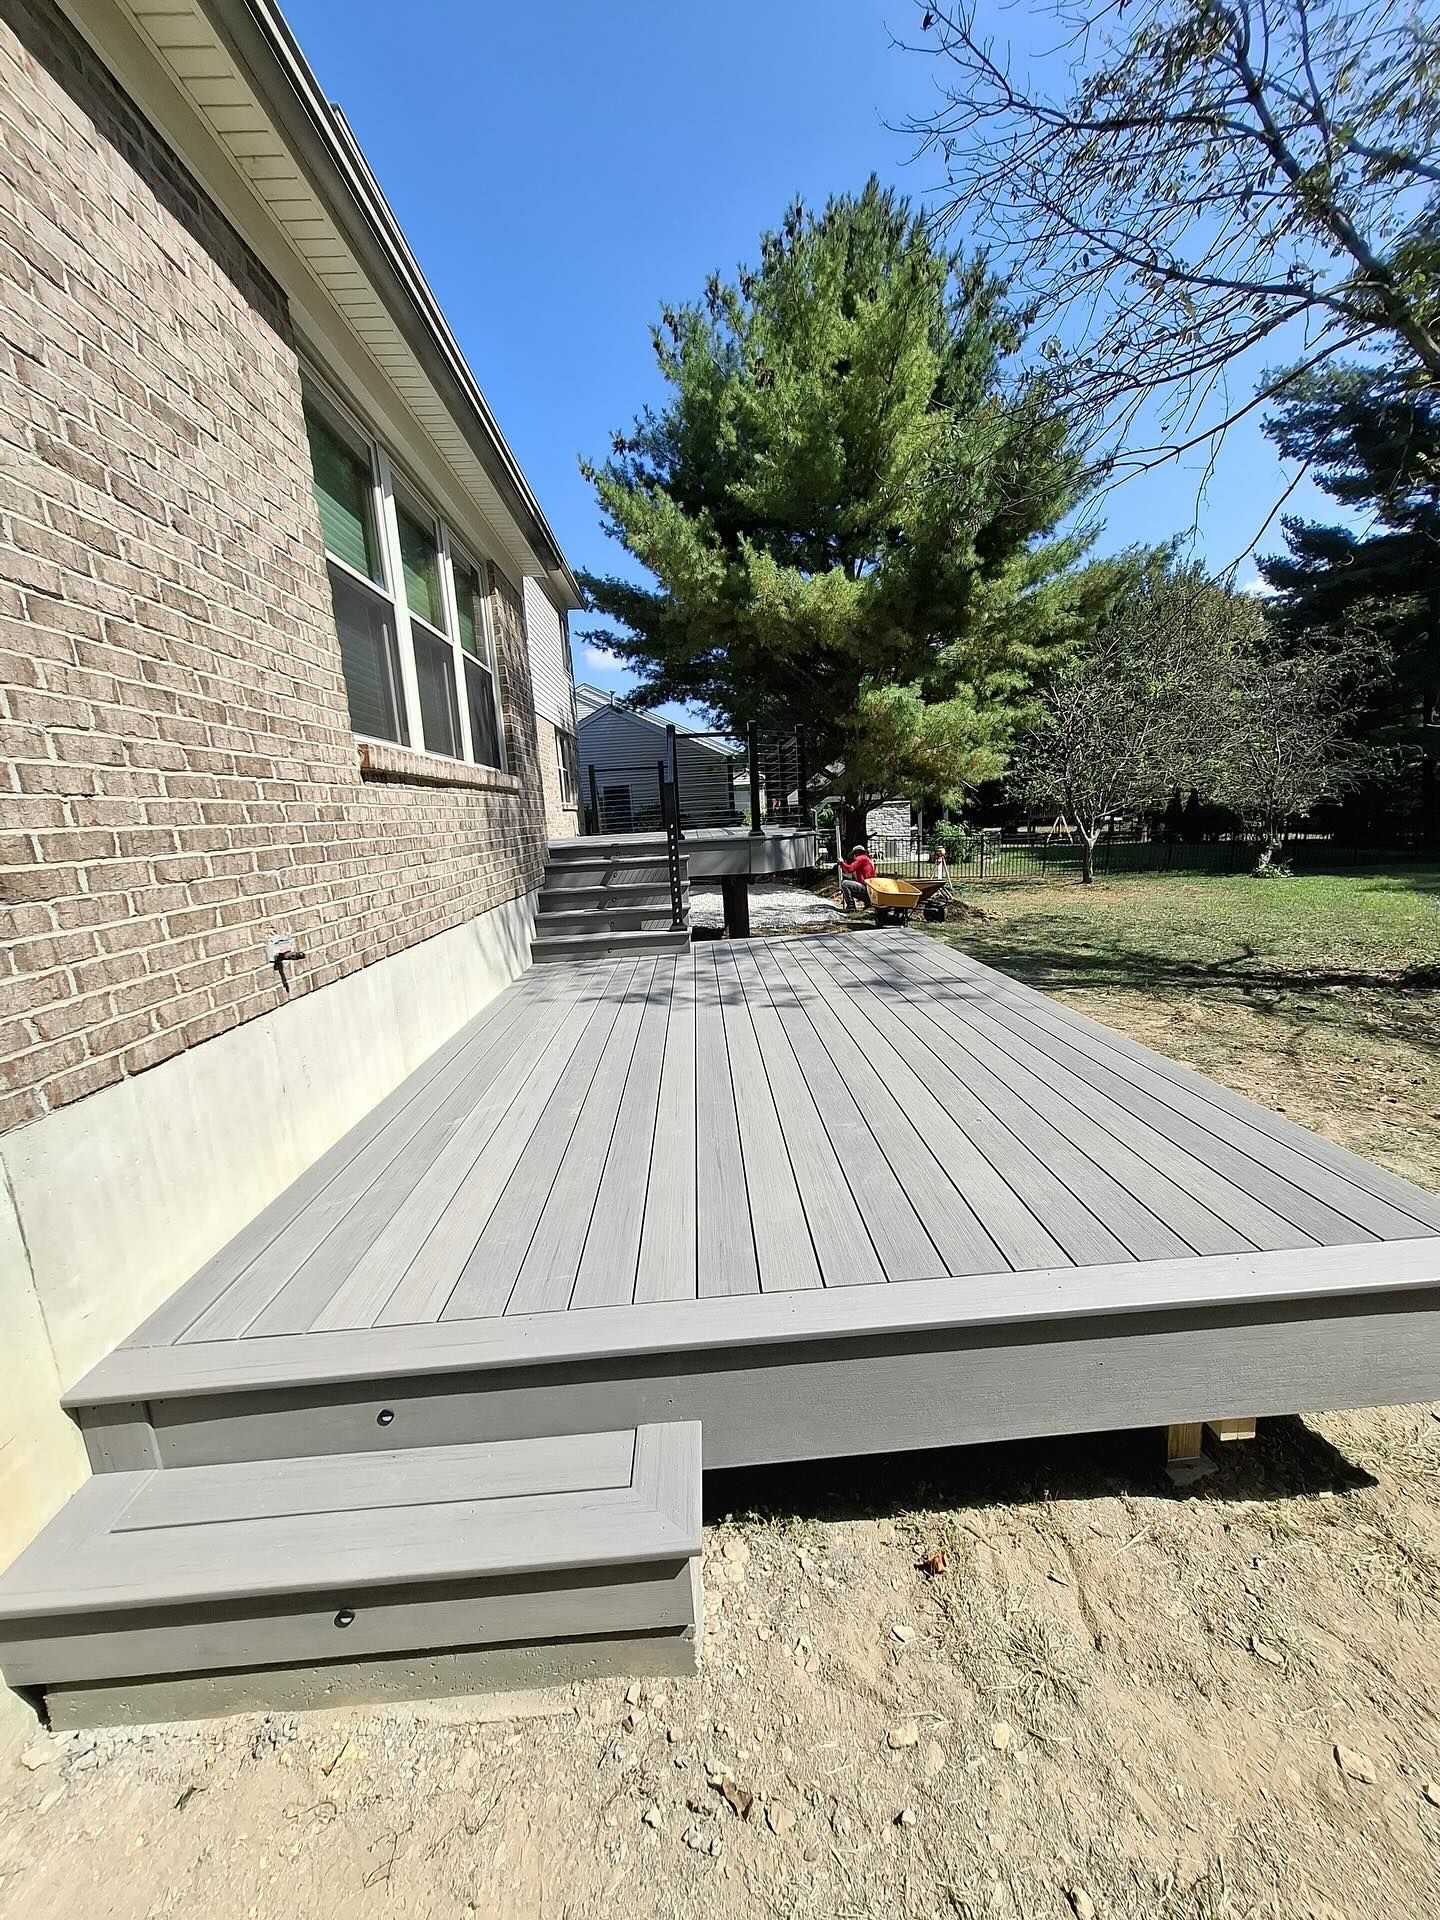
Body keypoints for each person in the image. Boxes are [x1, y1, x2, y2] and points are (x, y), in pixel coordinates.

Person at [838, 844, 876, 913]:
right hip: (872, 890)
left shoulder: (861, 858)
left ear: (857, 853)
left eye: (854, 855)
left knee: (845, 884)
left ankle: (851, 907)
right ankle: (868, 904)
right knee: (850, 885)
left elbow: (850, 869)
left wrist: (842, 863)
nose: (853, 858)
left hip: (867, 888)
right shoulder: (868, 859)